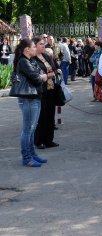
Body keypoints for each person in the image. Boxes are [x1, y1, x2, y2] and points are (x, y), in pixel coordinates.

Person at [13, 38, 49, 167]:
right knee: (28, 129)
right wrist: (43, 76)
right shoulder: (23, 61)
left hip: (35, 97)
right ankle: (27, 158)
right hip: (28, 98)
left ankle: (32, 154)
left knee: (32, 128)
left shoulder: (30, 60)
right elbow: (37, 78)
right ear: (27, 49)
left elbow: (41, 74)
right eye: (34, 46)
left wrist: (42, 76)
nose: (35, 48)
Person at [32, 37, 60, 150]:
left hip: (51, 89)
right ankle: (39, 141)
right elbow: (36, 75)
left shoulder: (47, 56)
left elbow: (54, 67)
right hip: (40, 91)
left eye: (44, 44)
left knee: (50, 115)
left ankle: (49, 140)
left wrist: (56, 71)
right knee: (41, 117)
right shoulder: (32, 59)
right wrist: (48, 75)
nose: (43, 46)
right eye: (40, 44)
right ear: (34, 45)